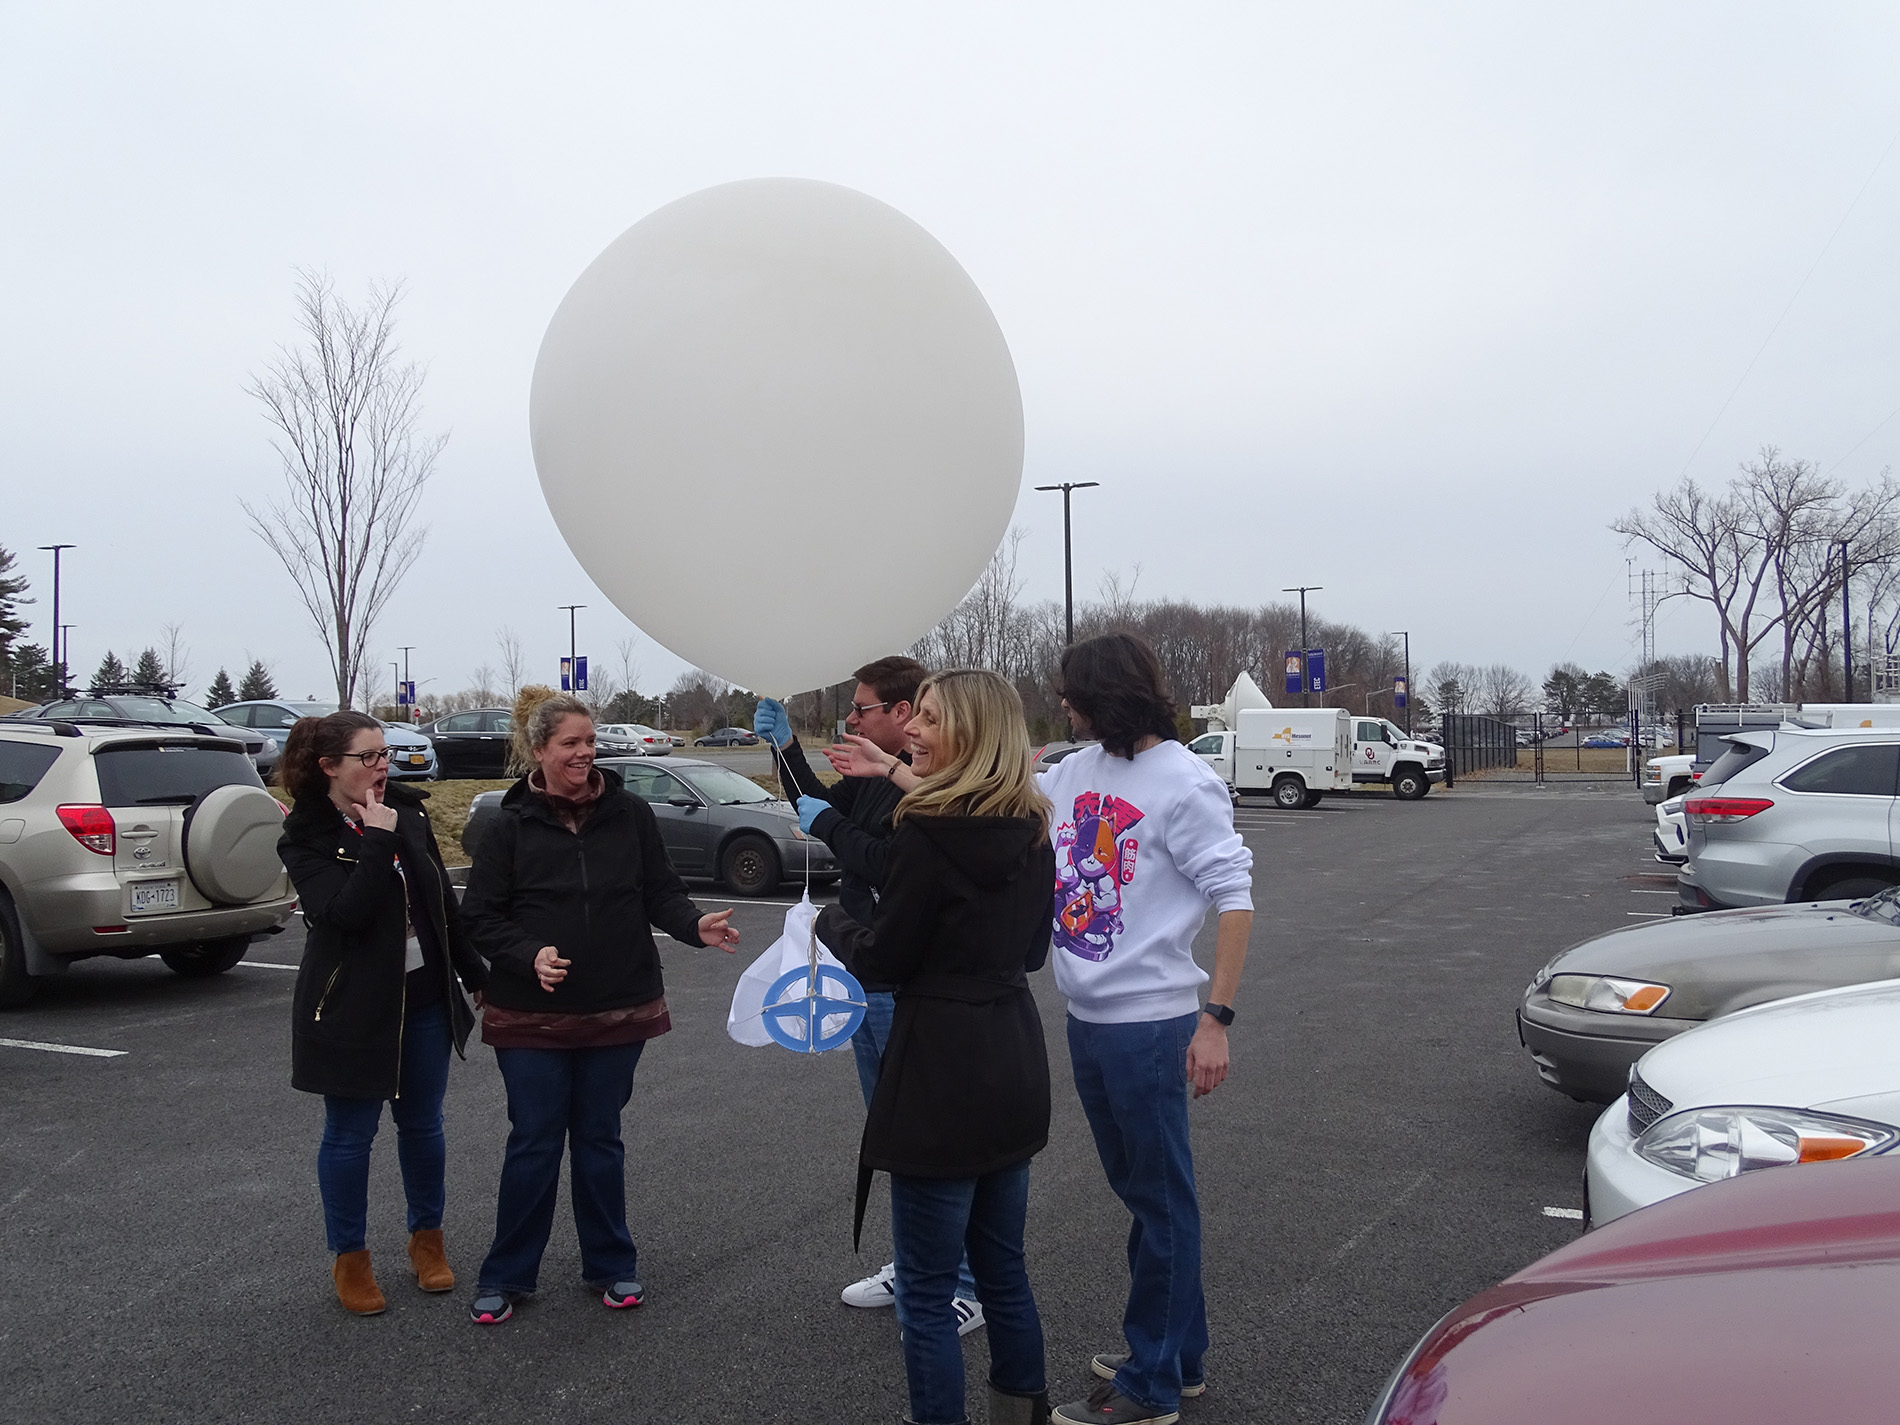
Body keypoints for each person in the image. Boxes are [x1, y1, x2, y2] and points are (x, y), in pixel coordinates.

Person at [814, 669, 1056, 1425]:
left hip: (938, 1072)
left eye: (928, 718)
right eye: (912, 715)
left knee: (924, 1289)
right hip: (1012, 1059)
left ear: (971, 734)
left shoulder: (925, 830)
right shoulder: (1034, 824)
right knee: (1003, 1271)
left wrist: (830, 926)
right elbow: (1035, 950)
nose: (911, 729)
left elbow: (885, 956)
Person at [460, 690, 740, 1325]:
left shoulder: (630, 814)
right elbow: (478, 917)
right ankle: (507, 1275)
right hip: (530, 1015)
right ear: (540, 751)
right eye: (570, 744)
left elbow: (661, 891)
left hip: (617, 1008)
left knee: (599, 1139)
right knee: (533, 1142)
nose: (585, 753)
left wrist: (694, 926)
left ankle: (611, 1265)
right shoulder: (508, 827)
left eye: (589, 742)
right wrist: (527, 953)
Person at [1039, 634, 1253, 1425]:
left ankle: (1152, 1384)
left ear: (1109, 694)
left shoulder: (1185, 783)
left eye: (1074, 695)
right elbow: (1005, 788)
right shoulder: (1075, 770)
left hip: (1150, 1024)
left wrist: (1216, 1020)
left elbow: (1235, 898)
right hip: (1087, 1018)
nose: (1065, 706)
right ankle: (1178, 1353)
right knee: (1143, 1193)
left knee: (1163, 1202)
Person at [753, 657, 985, 1336]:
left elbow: (883, 861)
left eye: (862, 709)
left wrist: (829, 825)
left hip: (907, 983)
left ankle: (962, 1281)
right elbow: (820, 809)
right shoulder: (878, 779)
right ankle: (916, 1264)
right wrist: (785, 745)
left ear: (904, 711)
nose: (851, 720)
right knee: (893, 1135)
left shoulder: (936, 786)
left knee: (934, 1138)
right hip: (865, 973)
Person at [276, 710, 488, 1316]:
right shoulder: (307, 833)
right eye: (368, 757)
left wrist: (475, 975)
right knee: (349, 1137)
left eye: (384, 753)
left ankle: (428, 1243)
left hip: (422, 998)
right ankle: (351, 1259)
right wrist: (376, 839)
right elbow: (342, 913)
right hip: (351, 1008)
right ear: (329, 767)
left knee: (423, 1127)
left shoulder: (408, 810)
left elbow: (439, 900)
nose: (381, 765)